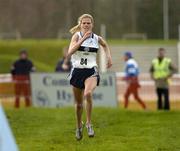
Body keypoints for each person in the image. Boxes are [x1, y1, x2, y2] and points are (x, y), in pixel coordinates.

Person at [62, 14, 112, 140]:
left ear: (92, 24)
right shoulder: (76, 36)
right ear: (80, 24)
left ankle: (89, 124)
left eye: (88, 23)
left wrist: (109, 57)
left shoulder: (96, 38)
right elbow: (70, 52)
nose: (86, 25)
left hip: (91, 71)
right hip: (77, 71)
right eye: (84, 23)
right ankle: (79, 126)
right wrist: (82, 39)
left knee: (88, 94)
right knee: (79, 105)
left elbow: (105, 45)